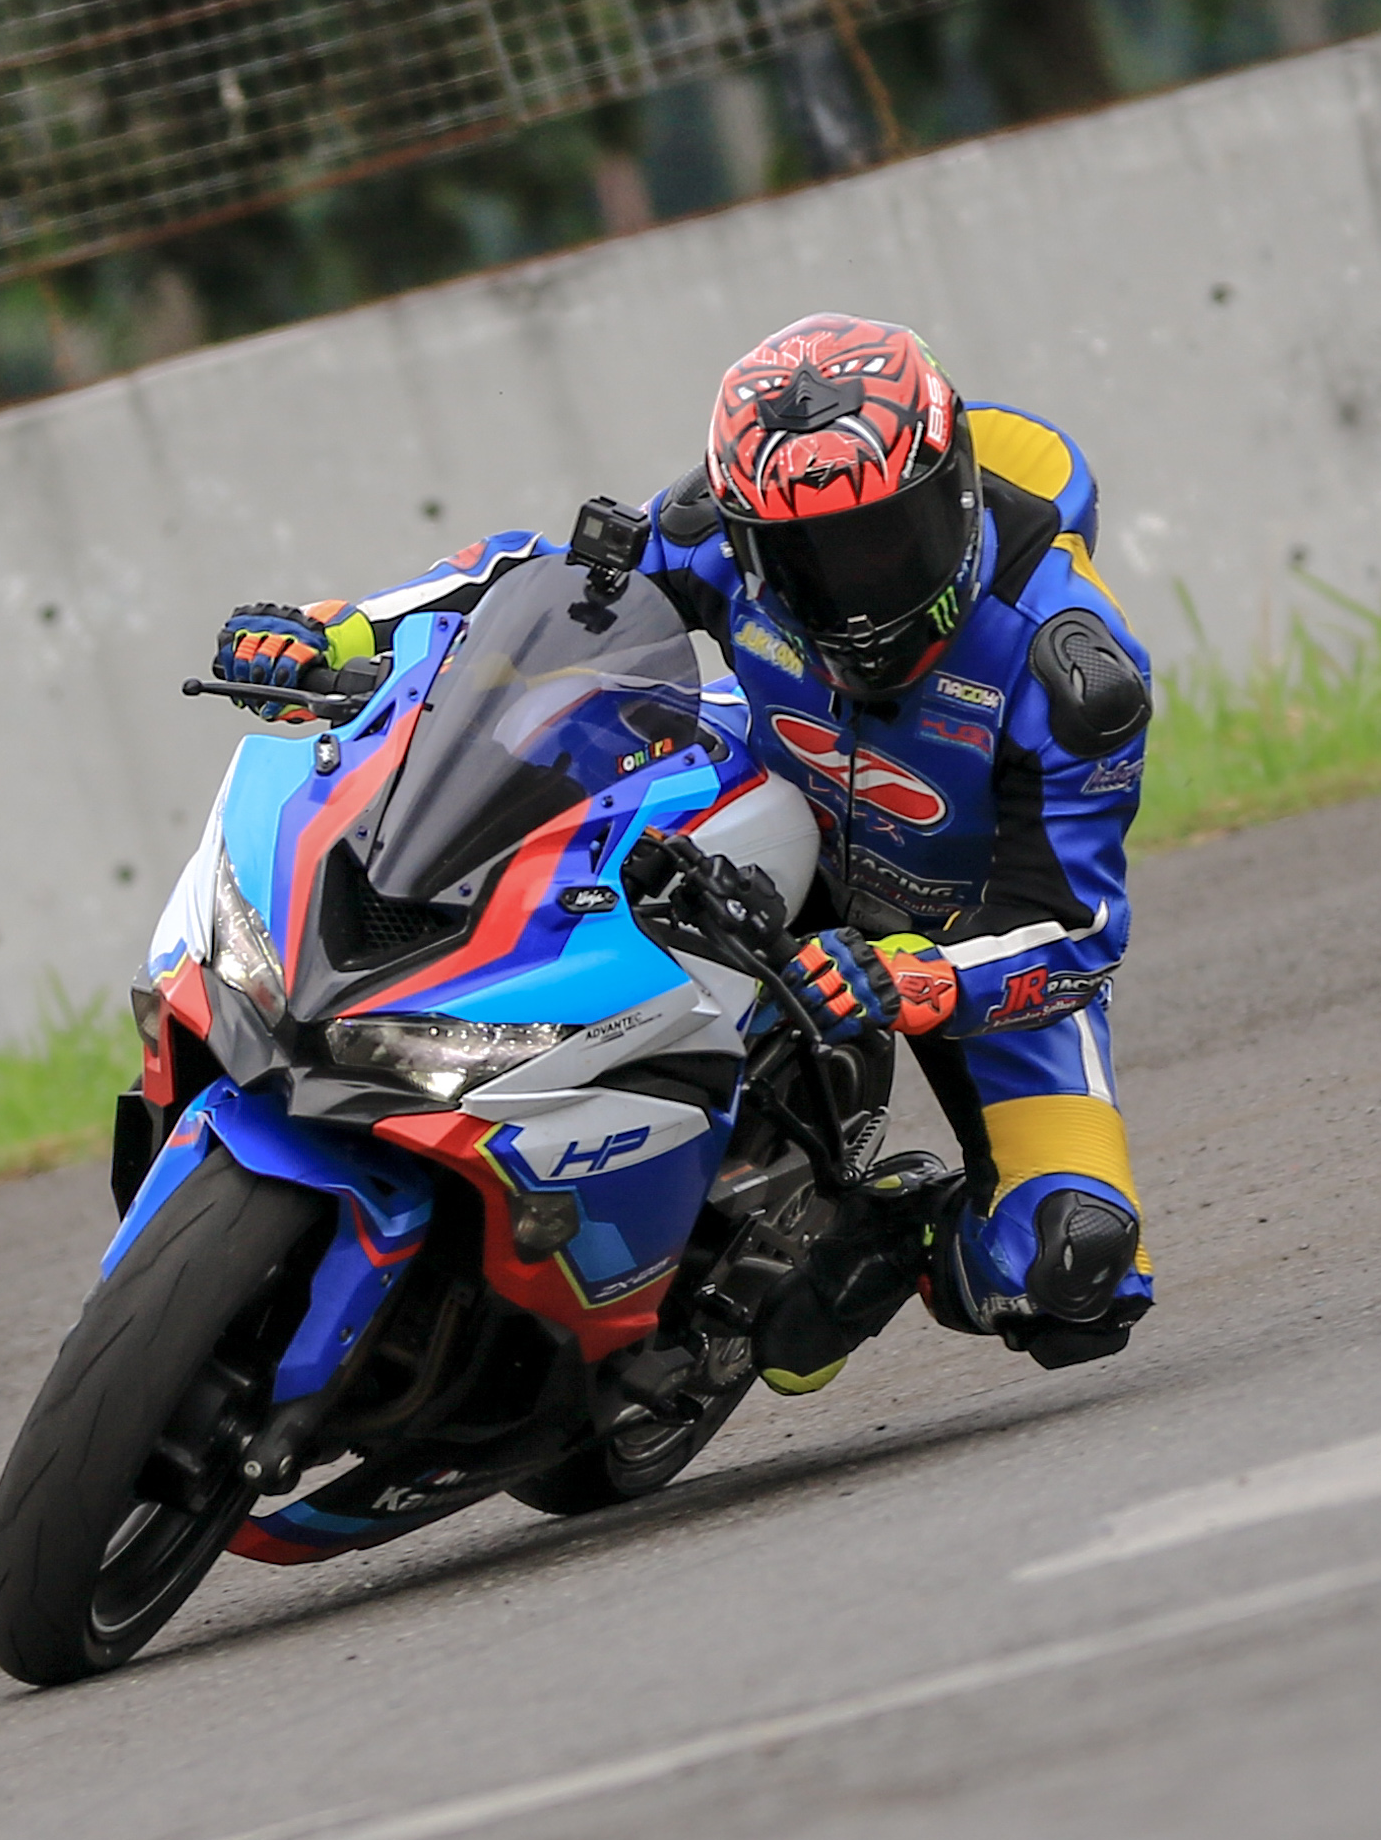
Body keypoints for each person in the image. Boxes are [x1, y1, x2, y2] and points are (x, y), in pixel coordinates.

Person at [212, 315, 1154, 1391]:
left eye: (879, 542)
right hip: (767, 820)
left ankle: (895, 1230)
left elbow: (1076, 929)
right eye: (804, 558)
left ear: (955, 497)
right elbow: (555, 581)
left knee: (1075, 1266)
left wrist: (919, 974)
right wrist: (349, 632)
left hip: (957, 938)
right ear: (749, 537)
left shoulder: (1070, 671)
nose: (850, 589)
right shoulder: (718, 531)